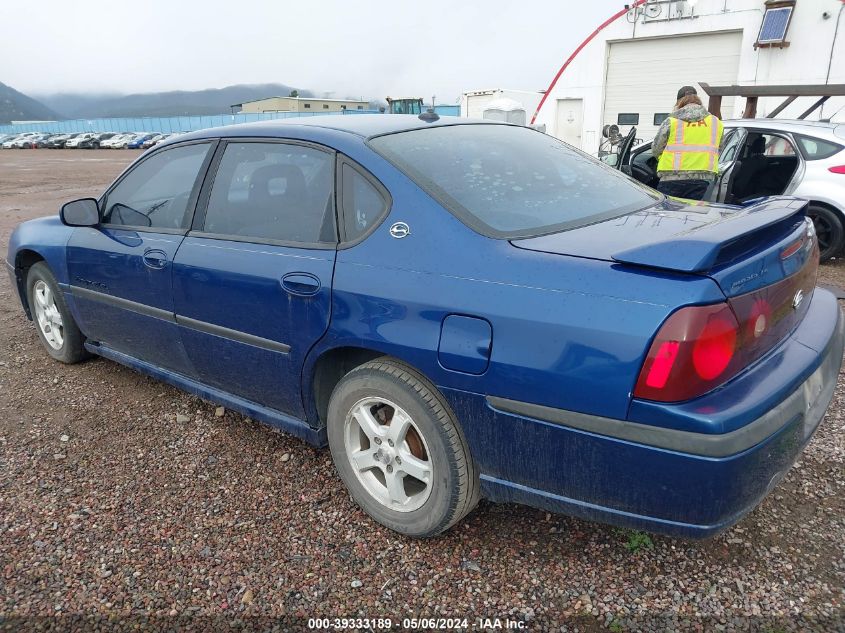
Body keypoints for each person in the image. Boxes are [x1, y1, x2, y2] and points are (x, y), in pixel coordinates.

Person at [652, 88, 723, 201]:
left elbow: (656, 149)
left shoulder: (671, 121)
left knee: (668, 215)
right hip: (703, 180)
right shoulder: (716, 122)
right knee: (693, 216)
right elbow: (718, 149)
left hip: (671, 178)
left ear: (679, 102)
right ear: (698, 100)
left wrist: (662, 158)